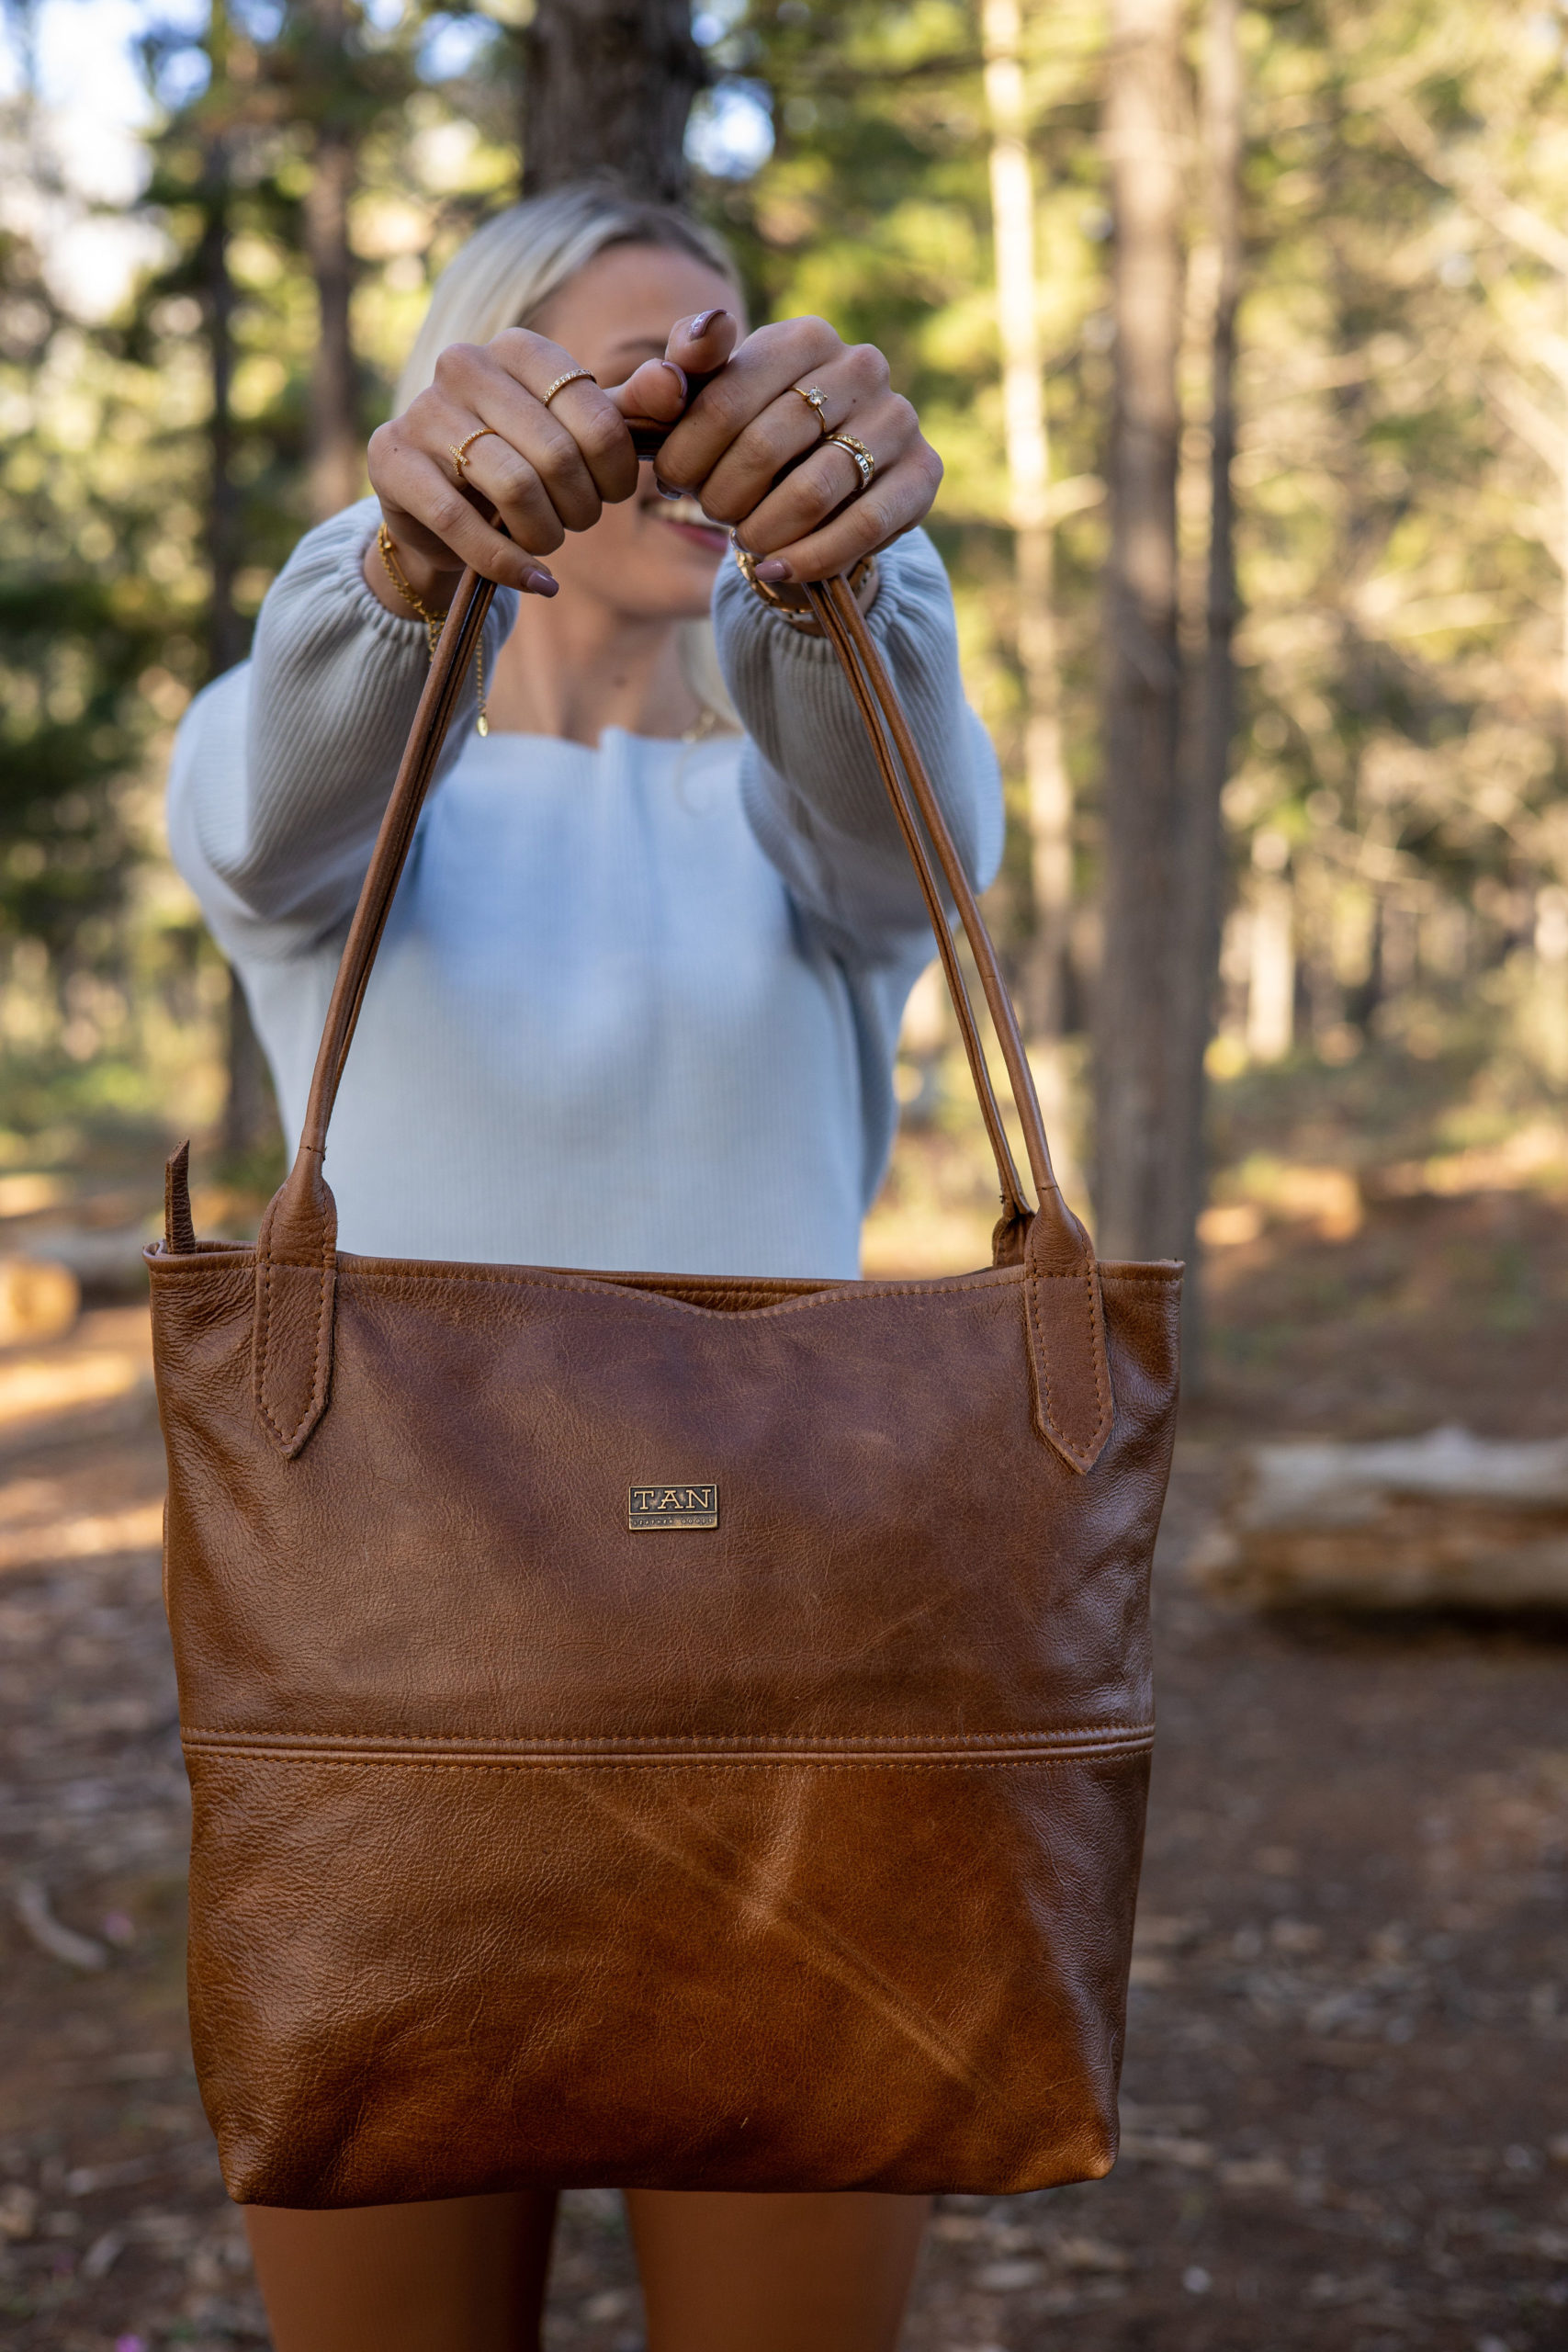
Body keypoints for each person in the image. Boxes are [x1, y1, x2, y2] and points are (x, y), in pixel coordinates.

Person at [168, 182, 1002, 2352]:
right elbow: (284, 786)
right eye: (613, 388)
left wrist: (842, 570)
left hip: (803, 1725)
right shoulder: (342, 794)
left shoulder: (803, 820)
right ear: (482, 397)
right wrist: (406, 556)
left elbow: (908, 812)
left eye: (720, 383)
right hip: (391, 1724)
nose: (672, 435)